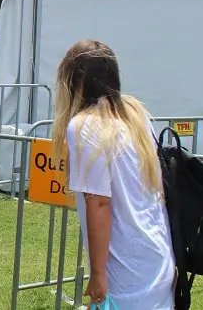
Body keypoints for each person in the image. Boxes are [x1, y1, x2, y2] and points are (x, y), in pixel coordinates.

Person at [51, 40, 175, 310]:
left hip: (127, 270)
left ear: (73, 81)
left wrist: (97, 275)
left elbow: (98, 203)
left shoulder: (85, 126)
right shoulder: (135, 114)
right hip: (157, 257)